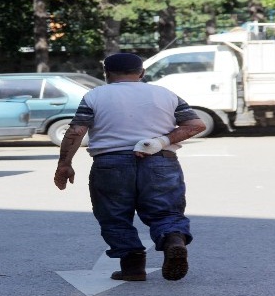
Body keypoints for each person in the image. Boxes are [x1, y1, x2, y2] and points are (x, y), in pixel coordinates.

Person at [53, 53, 206, 281]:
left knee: (114, 216)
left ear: (106, 74)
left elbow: (76, 131)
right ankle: (174, 240)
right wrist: (161, 141)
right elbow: (196, 125)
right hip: (160, 160)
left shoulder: (95, 95)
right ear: (142, 73)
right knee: (166, 211)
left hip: (110, 163)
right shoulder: (165, 94)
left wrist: (64, 164)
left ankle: (133, 268)